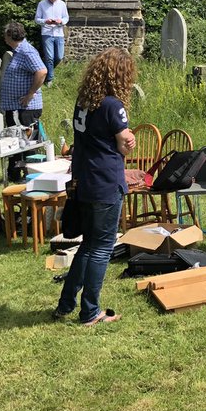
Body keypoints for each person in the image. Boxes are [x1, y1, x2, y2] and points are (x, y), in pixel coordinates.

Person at [54, 47, 137, 327]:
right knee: (101, 248)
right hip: (105, 181)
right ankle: (90, 311)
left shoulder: (83, 102)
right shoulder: (114, 105)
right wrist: (129, 141)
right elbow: (124, 142)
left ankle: (66, 303)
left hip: (84, 180)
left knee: (87, 245)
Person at [0, 20, 46, 129]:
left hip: (26, 109)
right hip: (16, 107)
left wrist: (30, 94)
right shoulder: (18, 51)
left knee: (28, 143)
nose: (4, 38)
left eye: (5, 35)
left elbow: (42, 71)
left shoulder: (26, 51)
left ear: (10, 35)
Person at [34, 0, 69, 87]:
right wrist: (46, 21)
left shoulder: (62, 4)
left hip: (59, 33)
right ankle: (49, 79)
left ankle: (44, 71)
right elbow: (37, 19)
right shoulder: (42, 4)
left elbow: (66, 18)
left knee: (59, 57)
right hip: (47, 33)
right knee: (49, 57)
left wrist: (61, 21)